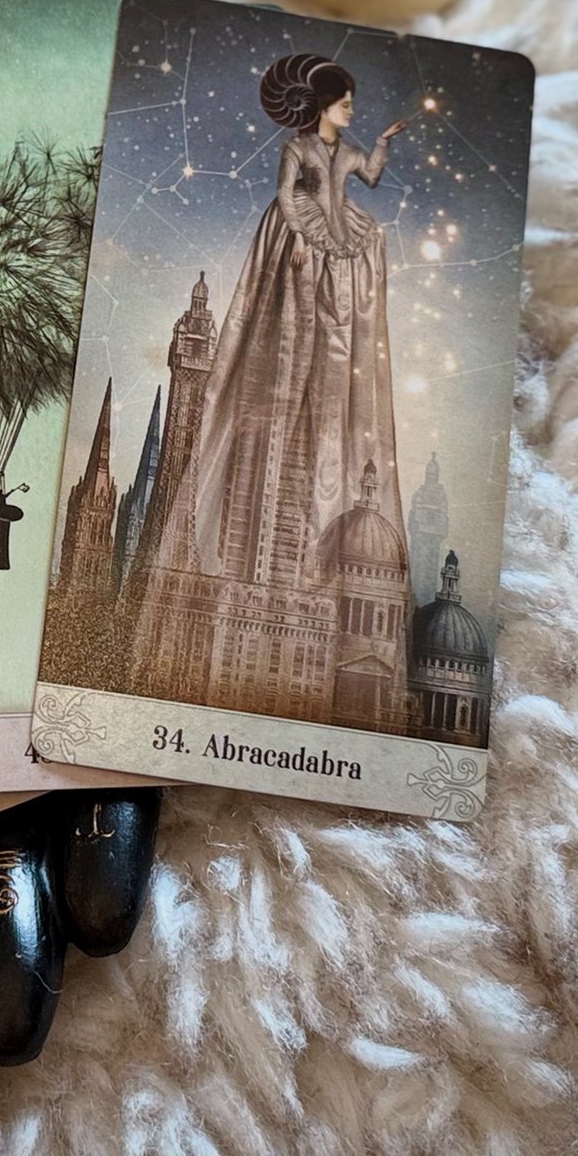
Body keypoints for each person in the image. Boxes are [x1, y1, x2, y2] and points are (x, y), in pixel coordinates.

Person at [129, 53, 411, 706]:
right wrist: (307, 234)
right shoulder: (296, 150)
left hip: (337, 256)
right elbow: (286, 198)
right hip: (300, 248)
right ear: (322, 103)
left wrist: (383, 147)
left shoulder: (346, 153)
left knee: (329, 379)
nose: (350, 111)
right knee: (279, 372)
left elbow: (368, 176)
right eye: (345, 102)